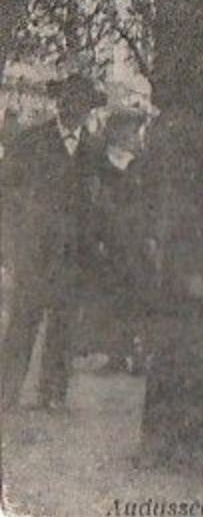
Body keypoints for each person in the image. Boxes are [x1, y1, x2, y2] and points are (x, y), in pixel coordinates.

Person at [1, 67, 102, 411]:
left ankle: (53, 393)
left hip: (72, 252)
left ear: (88, 108)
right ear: (59, 103)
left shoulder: (92, 150)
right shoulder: (32, 141)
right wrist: (14, 236)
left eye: (82, 103)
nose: (74, 109)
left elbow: (95, 203)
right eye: (68, 101)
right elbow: (8, 191)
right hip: (35, 247)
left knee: (63, 321)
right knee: (24, 318)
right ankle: (6, 391)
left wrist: (91, 244)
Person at [78, 106, 150, 374]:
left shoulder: (140, 163)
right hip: (109, 237)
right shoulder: (101, 163)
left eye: (136, 130)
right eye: (130, 130)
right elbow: (94, 202)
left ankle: (138, 353)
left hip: (136, 237)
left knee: (137, 295)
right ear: (116, 132)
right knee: (112, 296)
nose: (134, 136)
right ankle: (116, 353)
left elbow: (148, 202)